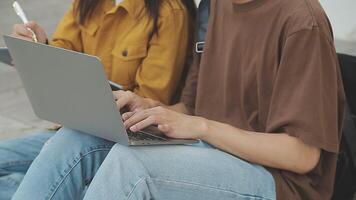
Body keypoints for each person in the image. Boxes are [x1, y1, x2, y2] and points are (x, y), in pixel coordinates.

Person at [11, 0, 345, 199]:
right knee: (79, 135)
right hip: (213, 149)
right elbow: (191, 107)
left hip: (277, 181)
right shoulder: (215, 8)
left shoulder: (302, 22)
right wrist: (149, 109)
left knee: (132, 167)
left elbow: (303, 157)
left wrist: (200, 126)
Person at [0, 0, 196, 199]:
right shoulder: (86, 3)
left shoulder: (169, 11)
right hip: (75, 127)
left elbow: (151, 104)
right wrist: (38, 48)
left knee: (44, 180)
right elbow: (65, 51)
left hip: (122, 139)